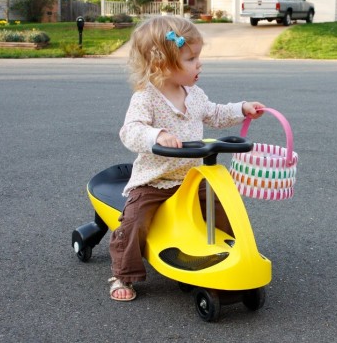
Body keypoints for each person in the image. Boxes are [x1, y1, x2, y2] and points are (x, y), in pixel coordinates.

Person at [108, 16, 265, 301]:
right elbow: (130, 131)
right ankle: (124, 273)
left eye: (197, 57)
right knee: (134, 222)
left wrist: (242, 108)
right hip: (155, 180)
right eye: (191, 58)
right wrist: (156, 135)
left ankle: (233, 253)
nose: (199, 64)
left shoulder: (194, 93)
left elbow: (214, 113)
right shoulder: (146, 97)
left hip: (191, 177)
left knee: (222, 207)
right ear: (162, 64)